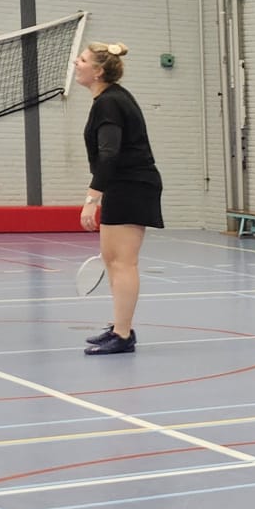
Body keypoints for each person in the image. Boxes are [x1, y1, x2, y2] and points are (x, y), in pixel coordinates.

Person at [75, 42, 163, 356]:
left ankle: (123, 335)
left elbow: (109, 154)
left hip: (132, 186)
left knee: (123, 262)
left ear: (98, 71)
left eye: (82, 59)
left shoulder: (110, 103)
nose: (76, 63)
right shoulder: (108, 99)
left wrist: (91, 198)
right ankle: (119, 328)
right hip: (120, 186)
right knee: (112, 260)